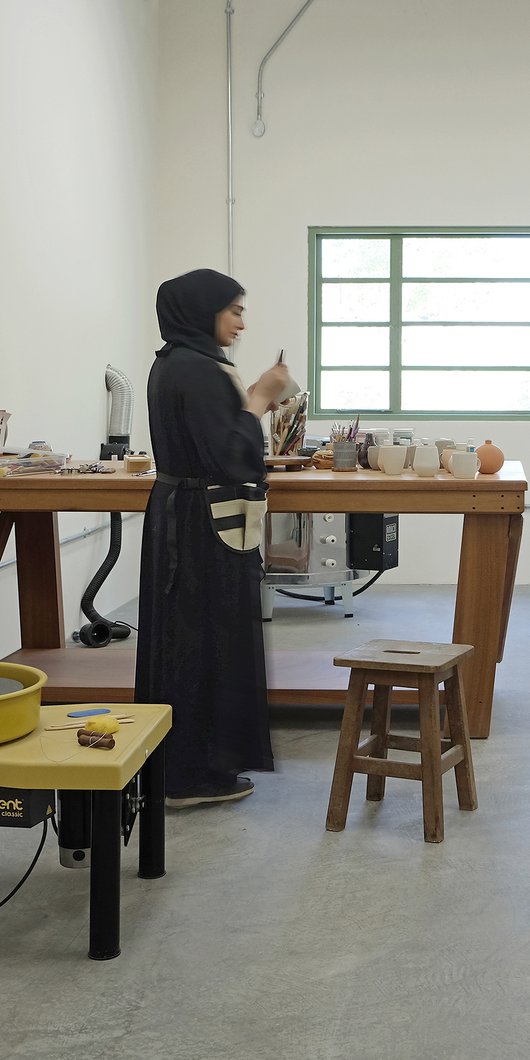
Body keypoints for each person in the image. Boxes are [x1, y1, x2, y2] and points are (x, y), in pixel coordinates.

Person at [134, 268, 289, 807]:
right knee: (200, 639)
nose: (242, 323)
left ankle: (181, 768)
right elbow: (229, 455)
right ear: (204, 313)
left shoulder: (178, 362)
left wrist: (247, 401)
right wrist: (261, 399)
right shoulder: (196, 369)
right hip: (200, 525)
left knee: (188, 635)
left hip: (186, 515)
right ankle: (189, 775)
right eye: (235, 311)